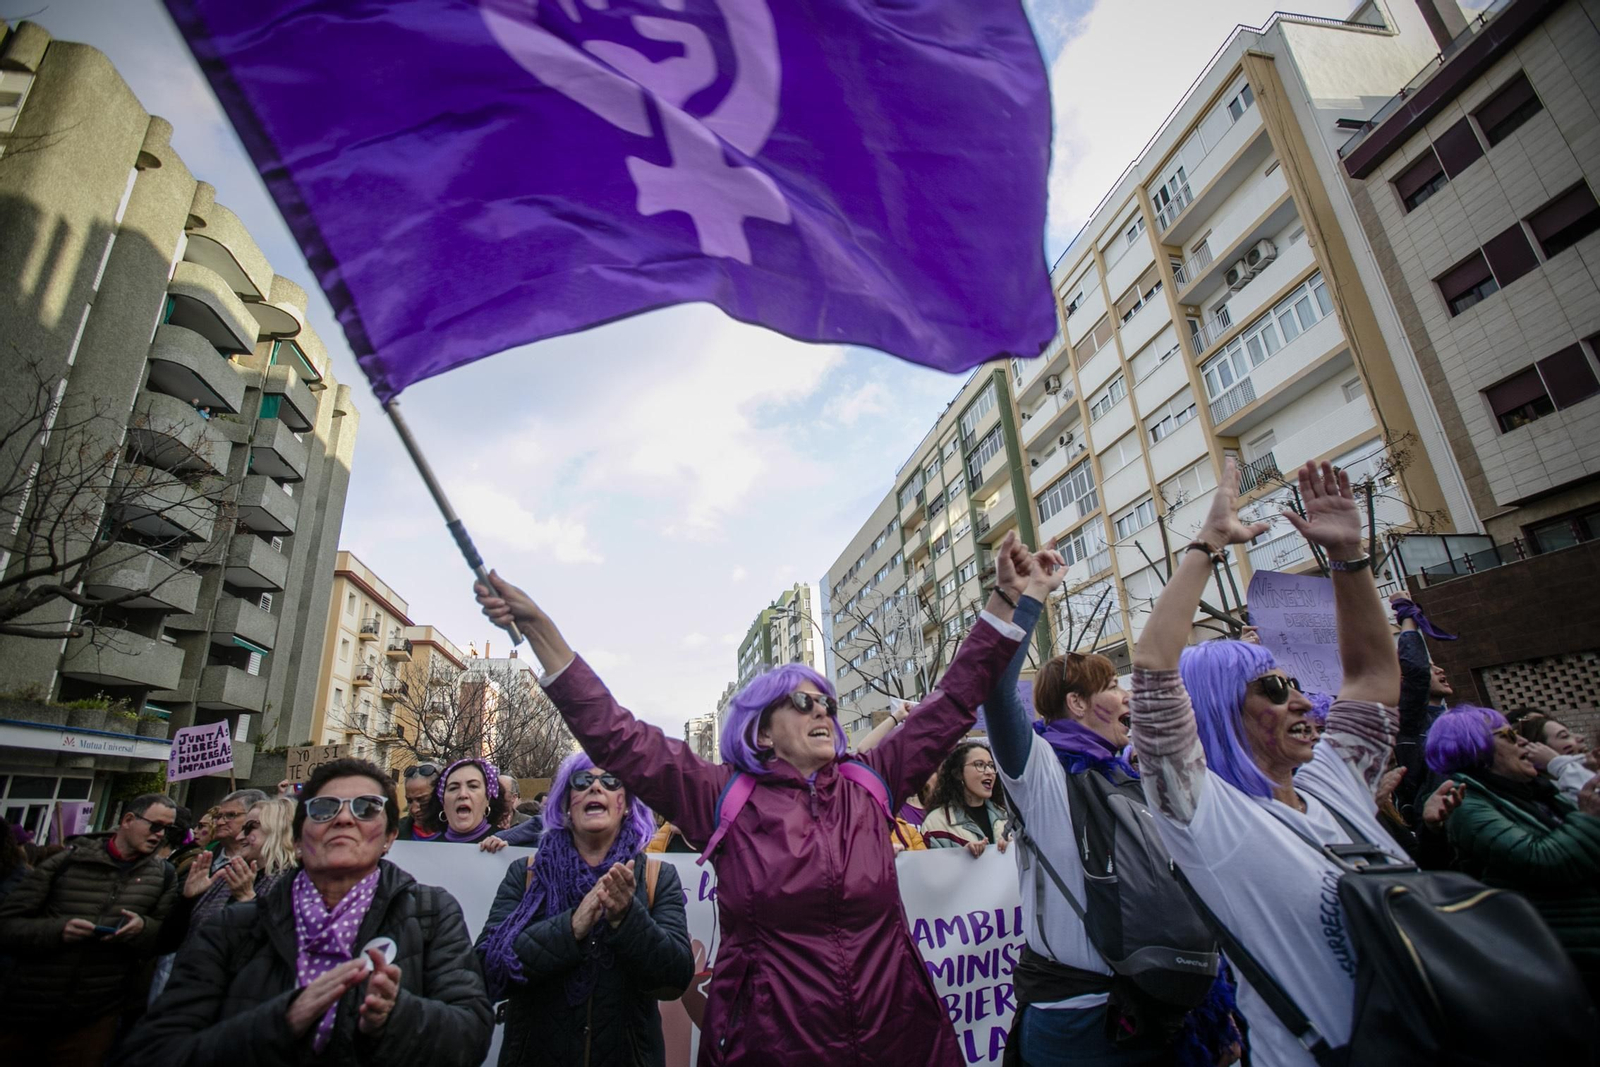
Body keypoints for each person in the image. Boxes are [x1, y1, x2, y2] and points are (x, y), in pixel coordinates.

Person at [474, 530, 1040, 1064]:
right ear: (762, 731)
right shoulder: (722, 797)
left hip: (901, 1040)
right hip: (769, 1047)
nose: (822, 710)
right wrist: (542, 629)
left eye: (827, 704)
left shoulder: (872, 781)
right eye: (802, 702)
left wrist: (1005, 599)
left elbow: (956, 697)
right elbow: (616, 735)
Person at [1128, 460, 1424, 1067]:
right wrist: (1207, 545)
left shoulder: (1335, 782)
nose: (1300, 699)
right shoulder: (1206, 817)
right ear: (1219, 709)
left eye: (1294, 682)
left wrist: (1348, 559)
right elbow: (1155, 666)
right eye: (1270, 688)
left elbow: (1370, 676)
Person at [986, 562, 1241, 1067]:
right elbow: (994, 688)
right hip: (1078, 1019)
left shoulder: (1131, 777)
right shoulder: (1041, 772)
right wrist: (1028, 595)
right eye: (1111, 686)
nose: (1126, 696)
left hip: (1156, 1005)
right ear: (1076, 703)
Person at [126, 758, 493, 1066]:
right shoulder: (234, 925)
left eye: (366, 808)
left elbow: (471, 1036)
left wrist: (395, 1016)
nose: (344, 819)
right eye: (324, 808)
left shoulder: (431, 913)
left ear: (389, 838)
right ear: (298, 839)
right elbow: (153, 1051)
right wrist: (281, 1020)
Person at [477, 751, 693, 1065]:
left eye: (611, 781)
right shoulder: (526, 875)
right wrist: (571, 927)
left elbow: (674, 979)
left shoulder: (655, 879)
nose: (596, 787)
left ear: (627, 804)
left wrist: (627, 918)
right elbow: (487, 969)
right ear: (565, 804)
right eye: (582, 781)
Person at [1424, 704, 1600, 999]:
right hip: (1564, 963)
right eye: (1507, 734)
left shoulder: (1538, 792)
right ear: (1476, 748)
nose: (1522, 741)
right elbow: (1543, 861)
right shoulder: (1468, 806)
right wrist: (1588, 819)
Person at [0, 793, 179, 1065]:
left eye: (168, 829)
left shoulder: (164, 877)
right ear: (128, 820)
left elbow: (162, 941)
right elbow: (7, 925)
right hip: (26, 1008)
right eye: (155, 826)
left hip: (94, 1017)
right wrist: (58, 930)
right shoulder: (65, 862)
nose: (160, 835)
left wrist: (143, 928)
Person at [921, 741, 1010, 856]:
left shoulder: (1007, 817)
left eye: (992, 766)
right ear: (958, 773)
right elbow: (931, 869)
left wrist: (1014, 848)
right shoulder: (936, 823)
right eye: (979, 765)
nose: (989, 772)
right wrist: (962, 857)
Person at [1512, 712, 1598, 802]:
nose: (1581, 737)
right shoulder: (1555, 796)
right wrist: (1557, 762)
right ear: (1537, 751)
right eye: (1564, 736)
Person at [423, 758, 511, 845]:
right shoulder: (427, 851)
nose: (462, 794)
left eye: (473, 786)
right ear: (442, 801)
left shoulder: (507, 844)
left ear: (487, 798)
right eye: (453, 788)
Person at [207, 789, 267, 874]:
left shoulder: (264, 863)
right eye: (218, 816)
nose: (220, 822)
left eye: (231, 815)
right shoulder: (204, 857)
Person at [400, 763, 442, 841]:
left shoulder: (460, 833)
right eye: (409, 801)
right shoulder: (395, 832)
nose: (414, 809)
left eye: (422, 800)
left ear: (439, 794)